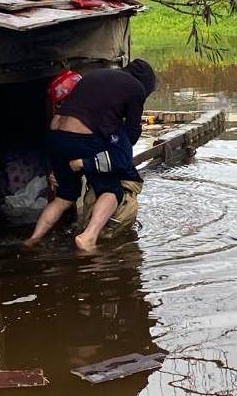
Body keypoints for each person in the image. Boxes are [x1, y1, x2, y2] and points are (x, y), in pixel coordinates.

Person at [26, 59, 156, 252]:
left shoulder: (97, 75)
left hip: (56, 136)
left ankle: (33, 239)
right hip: (83, 138)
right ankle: (89, 237)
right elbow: (132, 131)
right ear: (146, 83)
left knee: (64, 197)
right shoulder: (136, 88)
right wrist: (117, 148)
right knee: (111, 190)